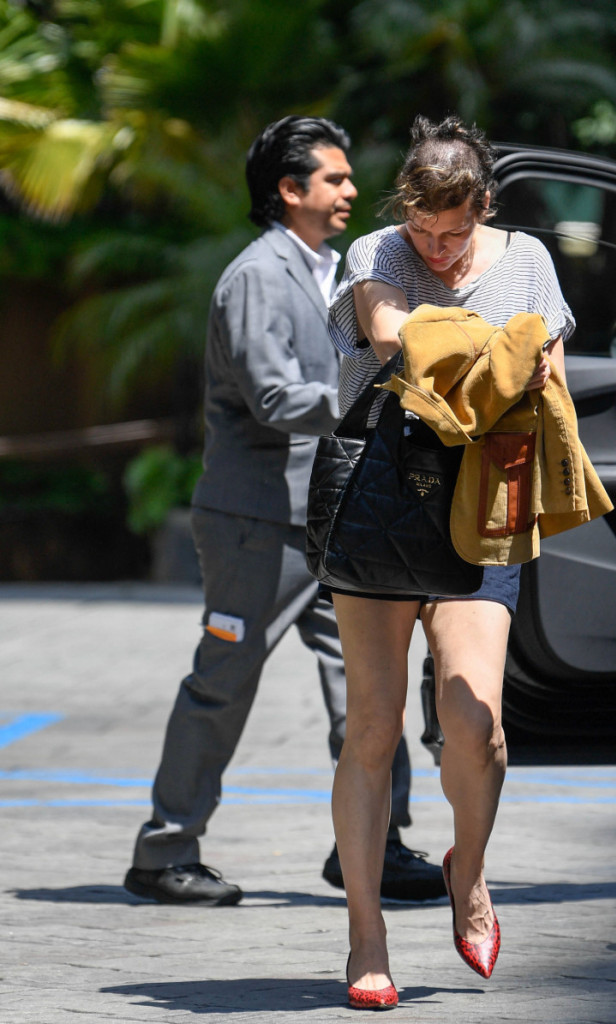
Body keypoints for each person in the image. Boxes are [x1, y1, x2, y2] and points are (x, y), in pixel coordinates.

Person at [123, 115, 445, 908]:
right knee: (223, 680)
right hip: (258, 523)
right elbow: (271, 397)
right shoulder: (257, 276)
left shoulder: (337, 268)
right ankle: (163, 852)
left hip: (333, 516)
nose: (350, 190)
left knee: (368, 684)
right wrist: (378, 391)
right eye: (334, 178)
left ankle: (374, 845)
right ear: (289, 190)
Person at [324, 114, 576, 1009]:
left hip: (483, 510)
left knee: (476, 724)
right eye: (422, 230)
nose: (434, 248)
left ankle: (467, 869)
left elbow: (551, 370)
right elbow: (394, 338)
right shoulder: (374, 253)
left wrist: (522, 358)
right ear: (404, 210)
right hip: (381, 504)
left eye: (453, 233)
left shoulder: (529, 261)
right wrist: (504, 347)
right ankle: (365, 936)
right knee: (371, 728)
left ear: (484, 206)